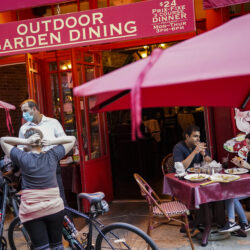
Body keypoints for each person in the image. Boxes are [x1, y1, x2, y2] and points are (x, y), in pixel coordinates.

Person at [0, 128, 76, 249]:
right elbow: (72, 139)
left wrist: (25, 142)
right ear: (42, 141)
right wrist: (51, 142)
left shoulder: (22, 157)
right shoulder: (52, 155)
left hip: (33, 212)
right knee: (57, 246)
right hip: (54, 209)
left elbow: (3, 140)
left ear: (29, 142)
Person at [18, 99, 69, 208]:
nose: (24, 114)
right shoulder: (24, 128)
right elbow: (20, 149)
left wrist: (51, 143)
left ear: (34, 109)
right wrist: (29, 147)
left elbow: (65, 140)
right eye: (22, 112)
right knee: (39, 203)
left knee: (60, 199)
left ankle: (66, 224)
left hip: (52, 164)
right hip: (34, 168)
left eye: (26, 111)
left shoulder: (53, 123)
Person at [220, 133, 250, 233]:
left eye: (249, 144)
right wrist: (240, 165)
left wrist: (248, 166)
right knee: (230, 194)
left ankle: (233, 222)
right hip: (247, 184)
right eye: (247, 144)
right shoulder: (249, 153)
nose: (247, 146)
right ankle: (244, 224)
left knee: (230, 194)